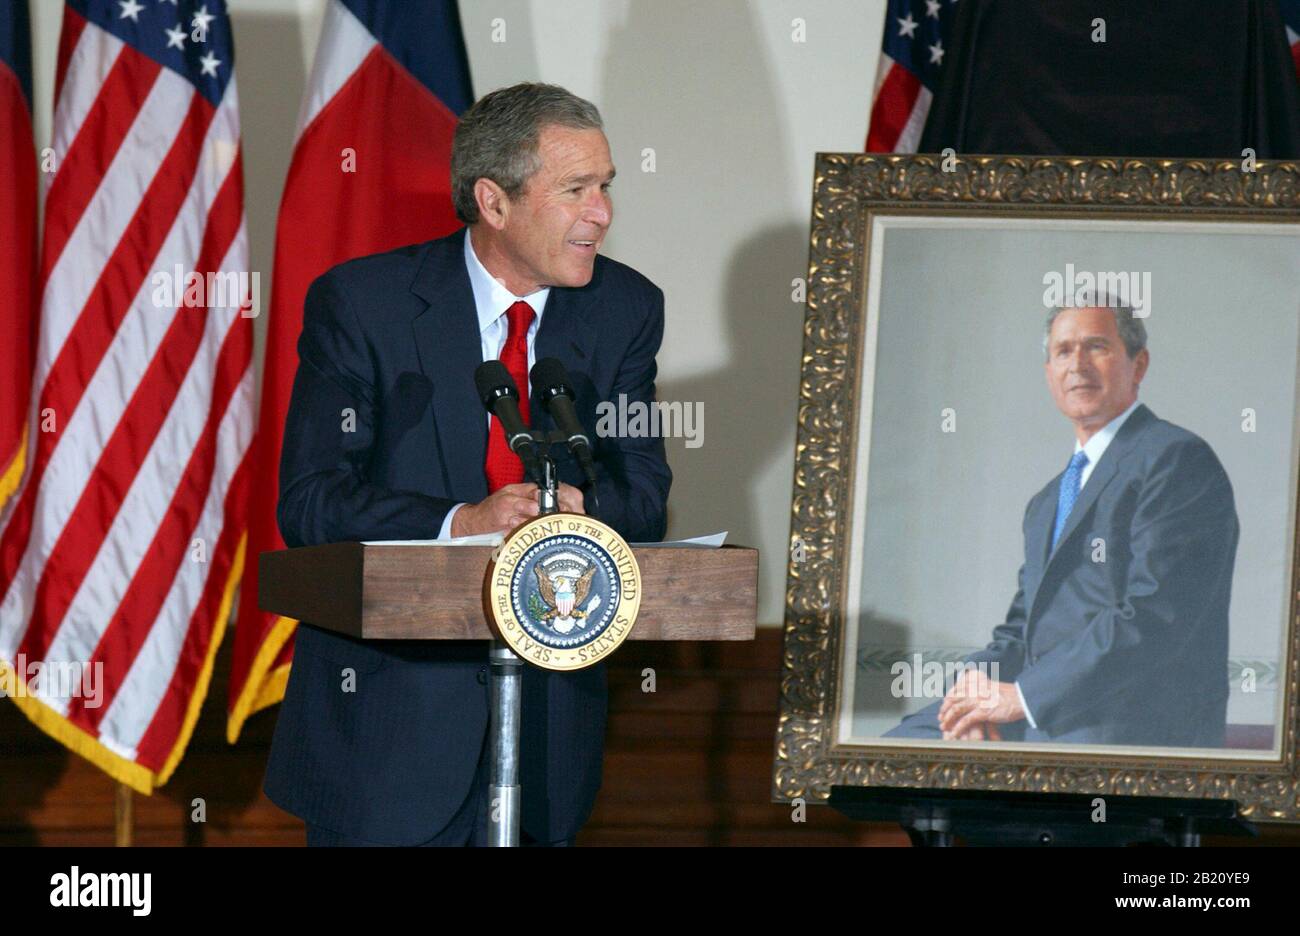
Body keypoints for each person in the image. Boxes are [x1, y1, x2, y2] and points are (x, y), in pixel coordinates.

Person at [263, 83, 671, 845]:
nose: (602, 214)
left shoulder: (625, 309)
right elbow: (312, 501)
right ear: (494, 202)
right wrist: (461, 523)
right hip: (387, 738)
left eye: (606, 186)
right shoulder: (364, 305)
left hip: (550, 729)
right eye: (576, 190)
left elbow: (645, 491)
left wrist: (581, 511)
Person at [885, 301, 1237, 747]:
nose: (1078, 365)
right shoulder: (1047, 500)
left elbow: (1153, 615)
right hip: (1044, 712)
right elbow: (1020, 628)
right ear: (1048, 371)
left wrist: (1024, 698)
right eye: (1063, 351)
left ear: (1138, 363)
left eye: (1096, 346)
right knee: (898, 748)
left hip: (1125, 721)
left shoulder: (1175, 459)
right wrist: (972, 691)